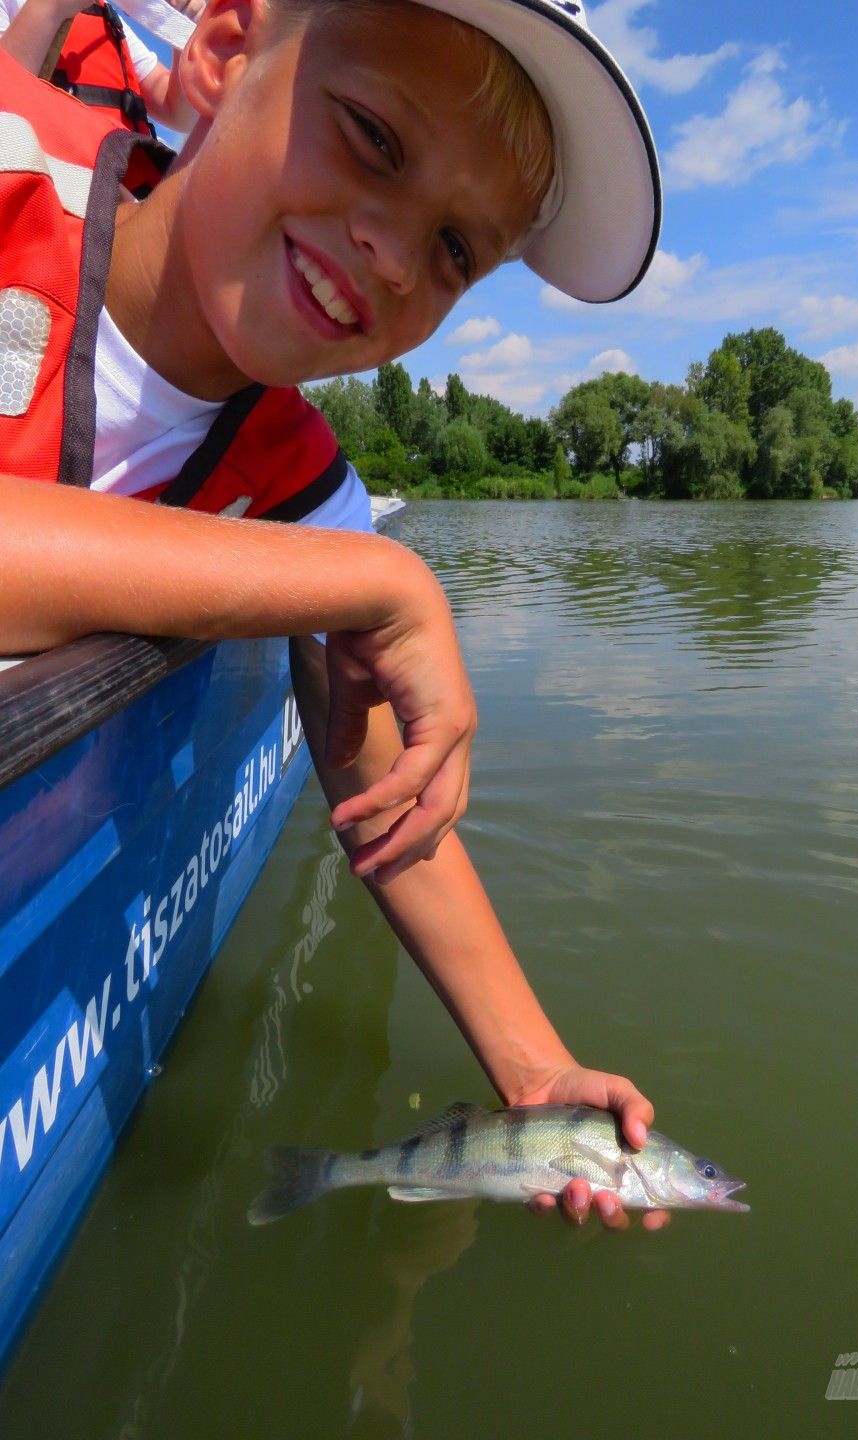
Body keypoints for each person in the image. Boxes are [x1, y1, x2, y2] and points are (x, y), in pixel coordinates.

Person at [0, 0, 667, 1230]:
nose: (402, 259)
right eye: (371, 136)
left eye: (460, 249)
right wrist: (369, 579)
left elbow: (379, 776)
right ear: (225, 50)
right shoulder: (6, 170)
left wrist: (534, 1071)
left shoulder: (307, 488)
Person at [0, 0, 201, 134]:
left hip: (122, 182)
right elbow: (5, 104)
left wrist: (184, 28)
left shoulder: (106, 18)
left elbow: (179, 114)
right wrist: (54, 6)